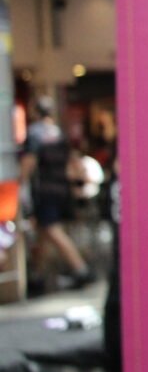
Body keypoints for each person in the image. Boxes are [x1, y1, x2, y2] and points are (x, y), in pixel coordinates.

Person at [20, 96, 94, 290]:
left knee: (52, 230)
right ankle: (37, 275)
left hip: (44, 190)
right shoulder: (58, 132)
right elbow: (72, 161)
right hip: (61, 188)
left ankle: (80, 269)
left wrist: (20, 183)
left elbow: (29, 162)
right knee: (43, 233)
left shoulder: (35, 133)